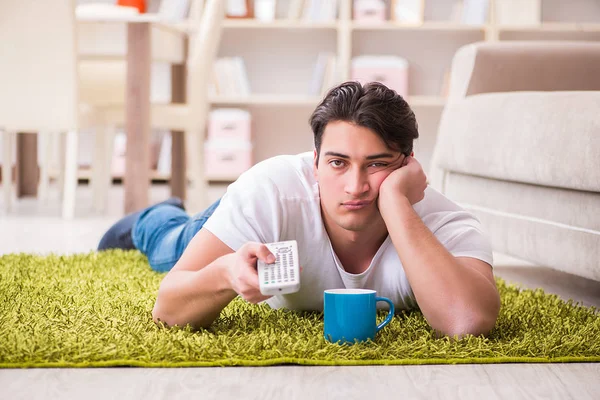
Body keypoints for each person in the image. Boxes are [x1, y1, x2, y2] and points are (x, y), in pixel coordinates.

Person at [98, 81, 501, 338]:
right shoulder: (272, 192)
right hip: (256, 217)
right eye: (338, 162)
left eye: (377, 164)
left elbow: (467, 322)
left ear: (408, 164)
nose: (356, 186)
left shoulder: (444, 222)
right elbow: (167, 308)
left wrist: (395, 204)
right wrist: (225, 273)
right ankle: (153, 217)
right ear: (315, 163)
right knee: (171, 242)